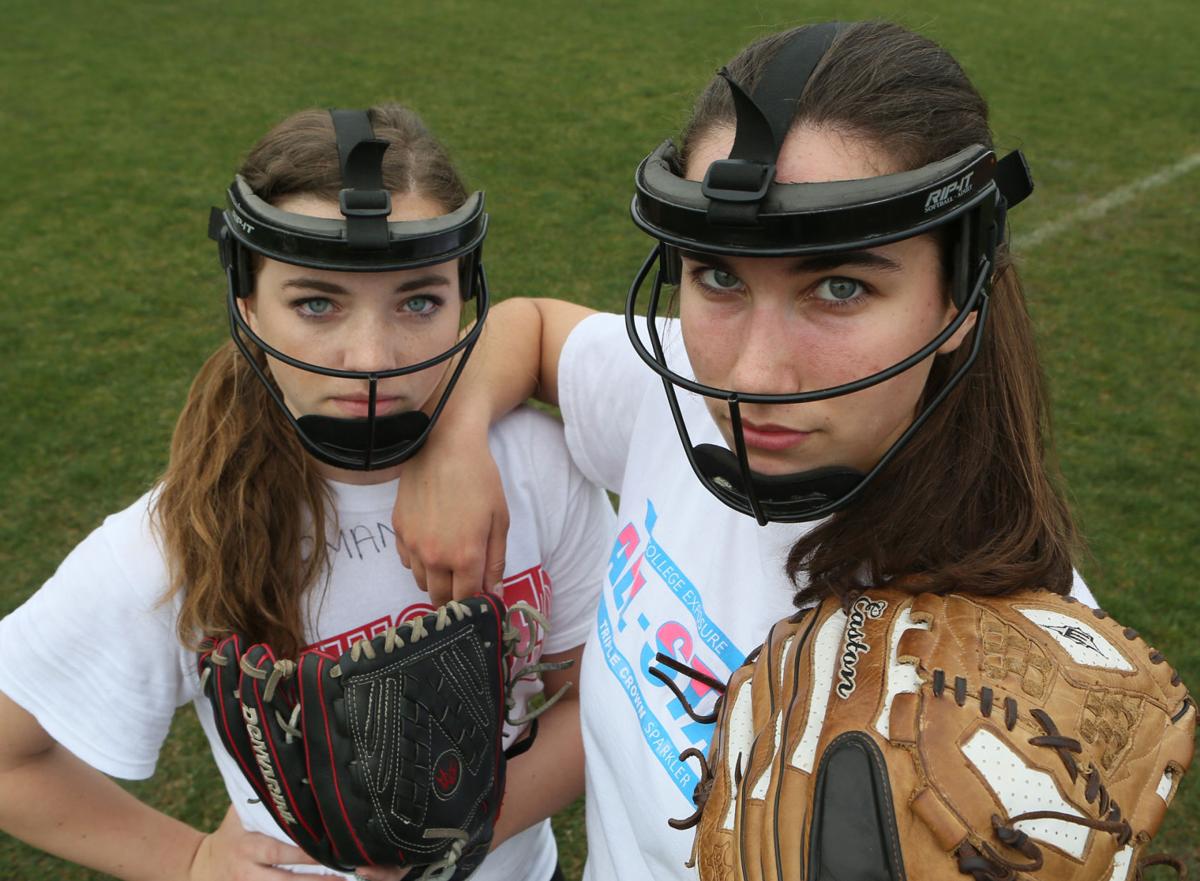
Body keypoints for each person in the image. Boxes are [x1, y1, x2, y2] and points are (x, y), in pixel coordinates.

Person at [388, 21, 1105, 880]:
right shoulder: (681, 397)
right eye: (719, 276)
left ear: (961, 293)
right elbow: (533, 328)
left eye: (840, 287)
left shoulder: (1020, 685)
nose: (753, 374)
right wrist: (451, 443)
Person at [0, 104, 613, 881]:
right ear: (248, 307)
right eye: (317, 303)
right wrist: (189, 861)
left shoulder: (535, 465)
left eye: (418, 301)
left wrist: (453, 833)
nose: (371, 357)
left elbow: (598, 690)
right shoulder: (177, 541)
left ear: (466, 300)